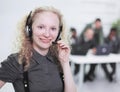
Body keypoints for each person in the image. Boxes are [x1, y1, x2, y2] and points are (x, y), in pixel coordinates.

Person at [0, 7, 76, 92]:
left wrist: (65, 63)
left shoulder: (59, 58)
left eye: (53, 29)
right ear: (29, 29)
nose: (47, 34)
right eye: (41, 27)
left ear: (59, 33)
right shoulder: (16, 61)